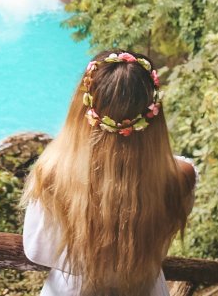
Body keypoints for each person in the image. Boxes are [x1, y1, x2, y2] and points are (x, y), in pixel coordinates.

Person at [22, 50, 197, 296]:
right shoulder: (180, 177)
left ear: (82, 108)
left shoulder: (52, 173)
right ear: (154, 113)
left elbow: (37, 250)